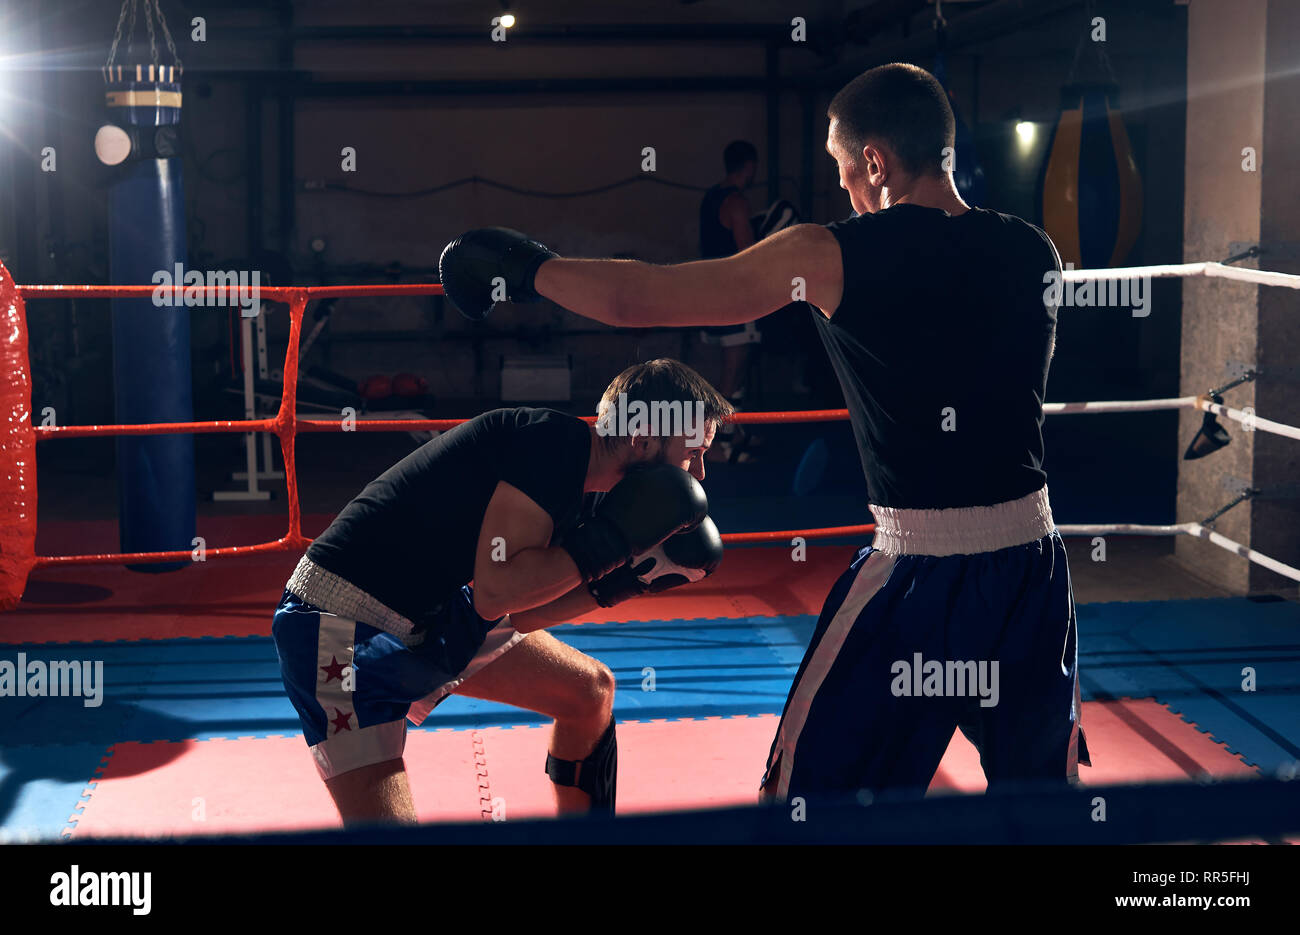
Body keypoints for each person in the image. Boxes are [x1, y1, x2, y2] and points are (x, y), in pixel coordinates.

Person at [440, 62, 1089, 806]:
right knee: (1046, 808)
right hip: (1034, 567)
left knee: (804, 801)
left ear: (874, 162)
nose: (845, 188)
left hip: (918, 575)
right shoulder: (1034, 250)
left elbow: (639, 297)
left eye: (845, 169)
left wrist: (527, 269)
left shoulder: (831, 253)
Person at [271, 359, 732, 824]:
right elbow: (497, 592)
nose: (699, 473)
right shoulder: (553, 446)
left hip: (433, 618)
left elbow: (522, 614)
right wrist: (610, 545)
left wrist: (623, 584)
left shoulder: (592, 491)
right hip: (335, 630)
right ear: (643, 440)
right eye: (693, 453)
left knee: (588, 692)